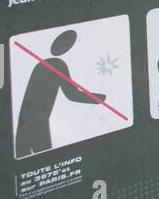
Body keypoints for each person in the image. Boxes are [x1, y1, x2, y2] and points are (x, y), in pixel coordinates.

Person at [15, 29, 106, 158]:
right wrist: (100, 99)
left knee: (26, 157)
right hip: (38, 119)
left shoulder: (42, 64)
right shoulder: (57, 64)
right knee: (43, 157)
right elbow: (72, 94)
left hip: (26, 119)